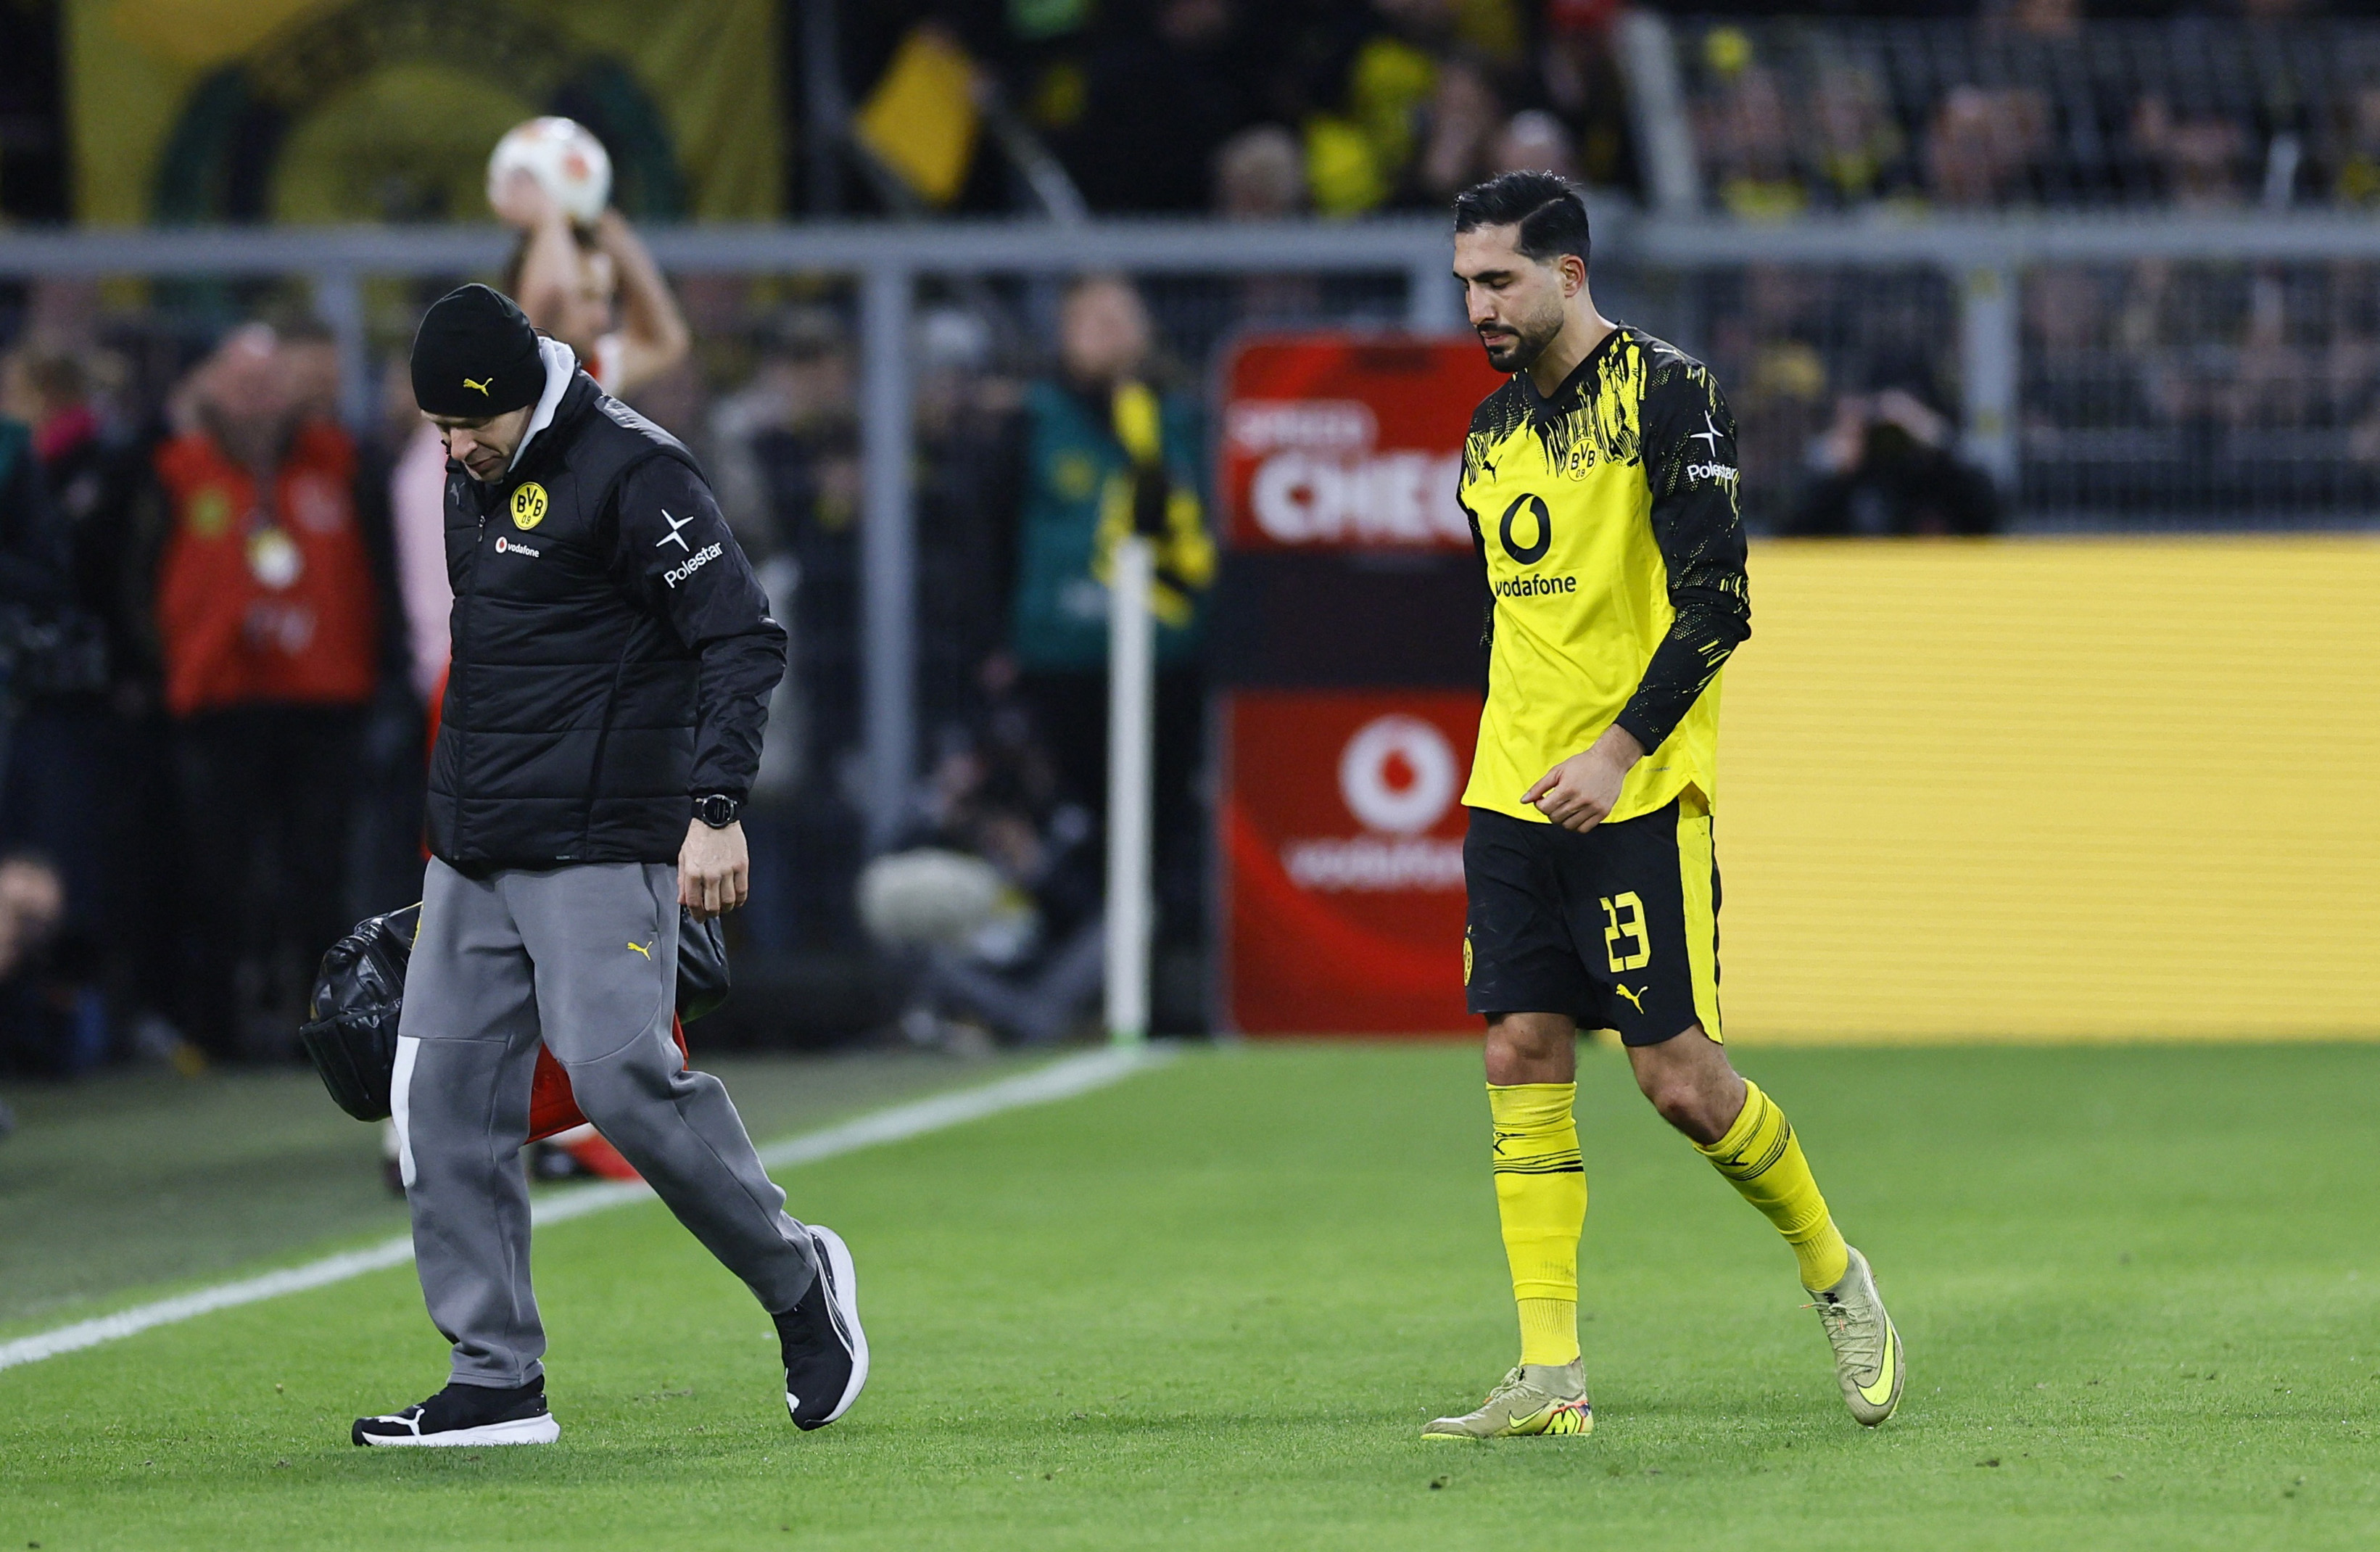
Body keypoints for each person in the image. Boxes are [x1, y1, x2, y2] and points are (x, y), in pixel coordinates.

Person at [1424, 172, 1902, 1440]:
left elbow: (1718, 604)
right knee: (1517, 1049)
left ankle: (1835, 1275)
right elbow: (1508, 619)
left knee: (1681, 1083)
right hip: (1512, 793)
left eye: (1498, 281)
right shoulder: (1487, 434)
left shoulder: (1667, 393)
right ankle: (1549, 1376)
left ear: (1568, 274)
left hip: (1635, 793)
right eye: (1464, 283)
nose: (1476, 306)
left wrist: (1616, 753)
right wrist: (1517, 758)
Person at [352, 285, 861, 1448]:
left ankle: (798, 1281)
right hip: (473, 848)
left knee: (622, 1083)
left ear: (517, 395)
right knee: (438, 1107)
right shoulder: (473, 469)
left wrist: (714, 809)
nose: (451, 451)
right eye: (437, 430)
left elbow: (740, 636)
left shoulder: (637, 471)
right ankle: (495, 1380)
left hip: (599, 840)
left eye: (466, 425)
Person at [144, 323, 387, 1061]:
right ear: (210, 390)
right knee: (219, 875)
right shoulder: (173, 469)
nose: (255, 401)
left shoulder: (342, 463)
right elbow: (131, 581)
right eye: (241, 384)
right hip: (217, 704)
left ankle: (326, 1029)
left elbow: (381, 575)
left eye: (268, 384)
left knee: (319, 873)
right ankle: (216, 1031)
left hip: (325, 702)